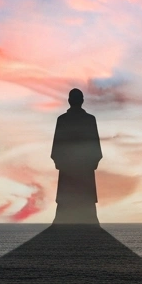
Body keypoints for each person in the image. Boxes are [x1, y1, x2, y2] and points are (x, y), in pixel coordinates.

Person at [51, 88, 102, 224]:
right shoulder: (89, 120)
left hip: (71, 170)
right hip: (81, 171)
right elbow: (96, 149)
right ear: (82, 101)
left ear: (69, 101)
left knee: (70, 204)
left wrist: (62, 163)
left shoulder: (63, 120)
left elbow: (56, 149)